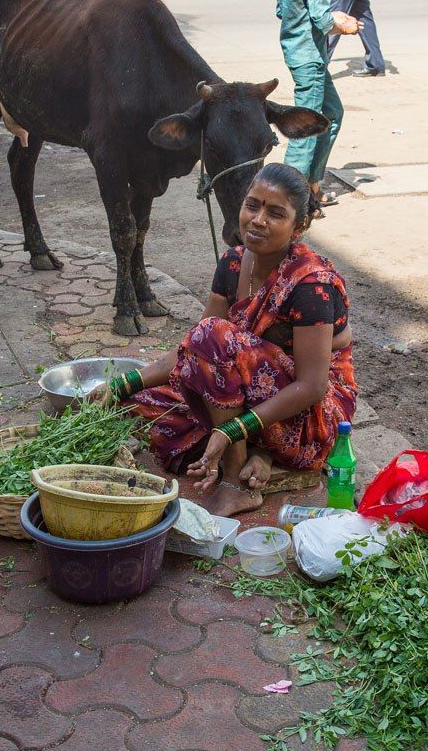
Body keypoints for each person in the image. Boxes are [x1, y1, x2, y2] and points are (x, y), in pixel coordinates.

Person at [95, 163, 357, 518]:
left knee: (213, 338)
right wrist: (123, 384)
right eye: (253, 205)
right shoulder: (233, 263)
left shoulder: (312, 286)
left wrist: (232, 428)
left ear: (300, 226)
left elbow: (312, 386)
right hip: (255, 395)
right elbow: (196, 350)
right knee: (143, 406)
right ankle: (257, 454)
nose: (258, 220)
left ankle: (235, 480)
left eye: (275, 213)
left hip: (312, 416)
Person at [275, 0, 361, 209]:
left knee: (332, 114)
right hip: (308, 54)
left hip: (300, 51)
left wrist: (330, 17)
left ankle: (310, 183)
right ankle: (289, 200)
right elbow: (321, 19)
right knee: (307, 126)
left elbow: (284, 9)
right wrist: (342, 26)